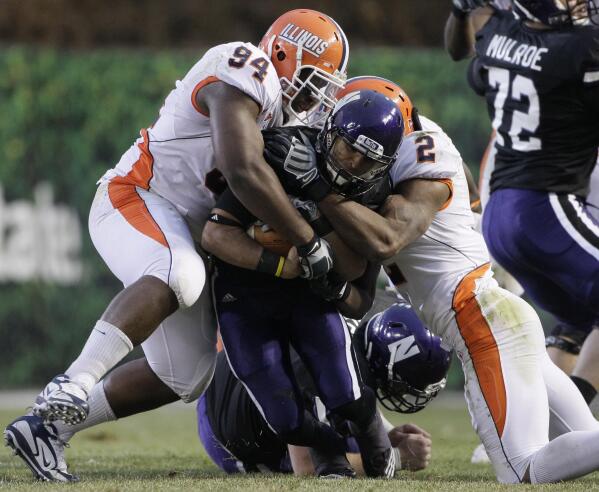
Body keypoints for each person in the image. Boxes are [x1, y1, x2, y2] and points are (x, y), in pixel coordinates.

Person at [4, 9, 349, 482]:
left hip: (183, 231)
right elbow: (242, 169)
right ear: (284, 53)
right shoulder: (245, 65)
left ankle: (45, 428)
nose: (313, 97)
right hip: (136, 196)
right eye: (313, 81)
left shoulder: (286, 120)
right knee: (180, 274)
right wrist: (307, 243)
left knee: (184, 374)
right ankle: (75, 380)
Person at [303, 76, 599, 483]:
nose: (353, 159)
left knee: (525, 469)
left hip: (479, 319)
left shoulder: (421, 165)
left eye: (365, 151)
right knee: (589, 439)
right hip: (497, 313)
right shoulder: (417, 149)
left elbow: (386, 238)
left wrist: (320, 190)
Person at [201, 90, 405, 478]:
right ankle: (331, 451)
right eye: (349, 148)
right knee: (286, 420)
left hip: (311, 299)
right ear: (329, 133)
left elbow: (360, 300)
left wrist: (336, 286)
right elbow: (216, 234)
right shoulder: (285, 154)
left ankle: (374, 440)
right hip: (247, 296)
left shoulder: (375, 193)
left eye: (369, 159)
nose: (355, 163)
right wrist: (281, 265)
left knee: (347, 395)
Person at [448, 0, 599, 406]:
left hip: (502, 219)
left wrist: (460, 13)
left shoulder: (501, 33)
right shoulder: (582, 48)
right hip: (546, 210)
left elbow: (463, 56)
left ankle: (553, 424)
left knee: (580, 322)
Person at [197, 302, 448, 475]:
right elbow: (307, 468)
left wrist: (384, 434)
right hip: (222, 429)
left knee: (345, 436)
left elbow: (355, 391)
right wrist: (397, 458)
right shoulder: (325, 367)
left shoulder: (352, 337)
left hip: (227, 379)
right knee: (339, 458)